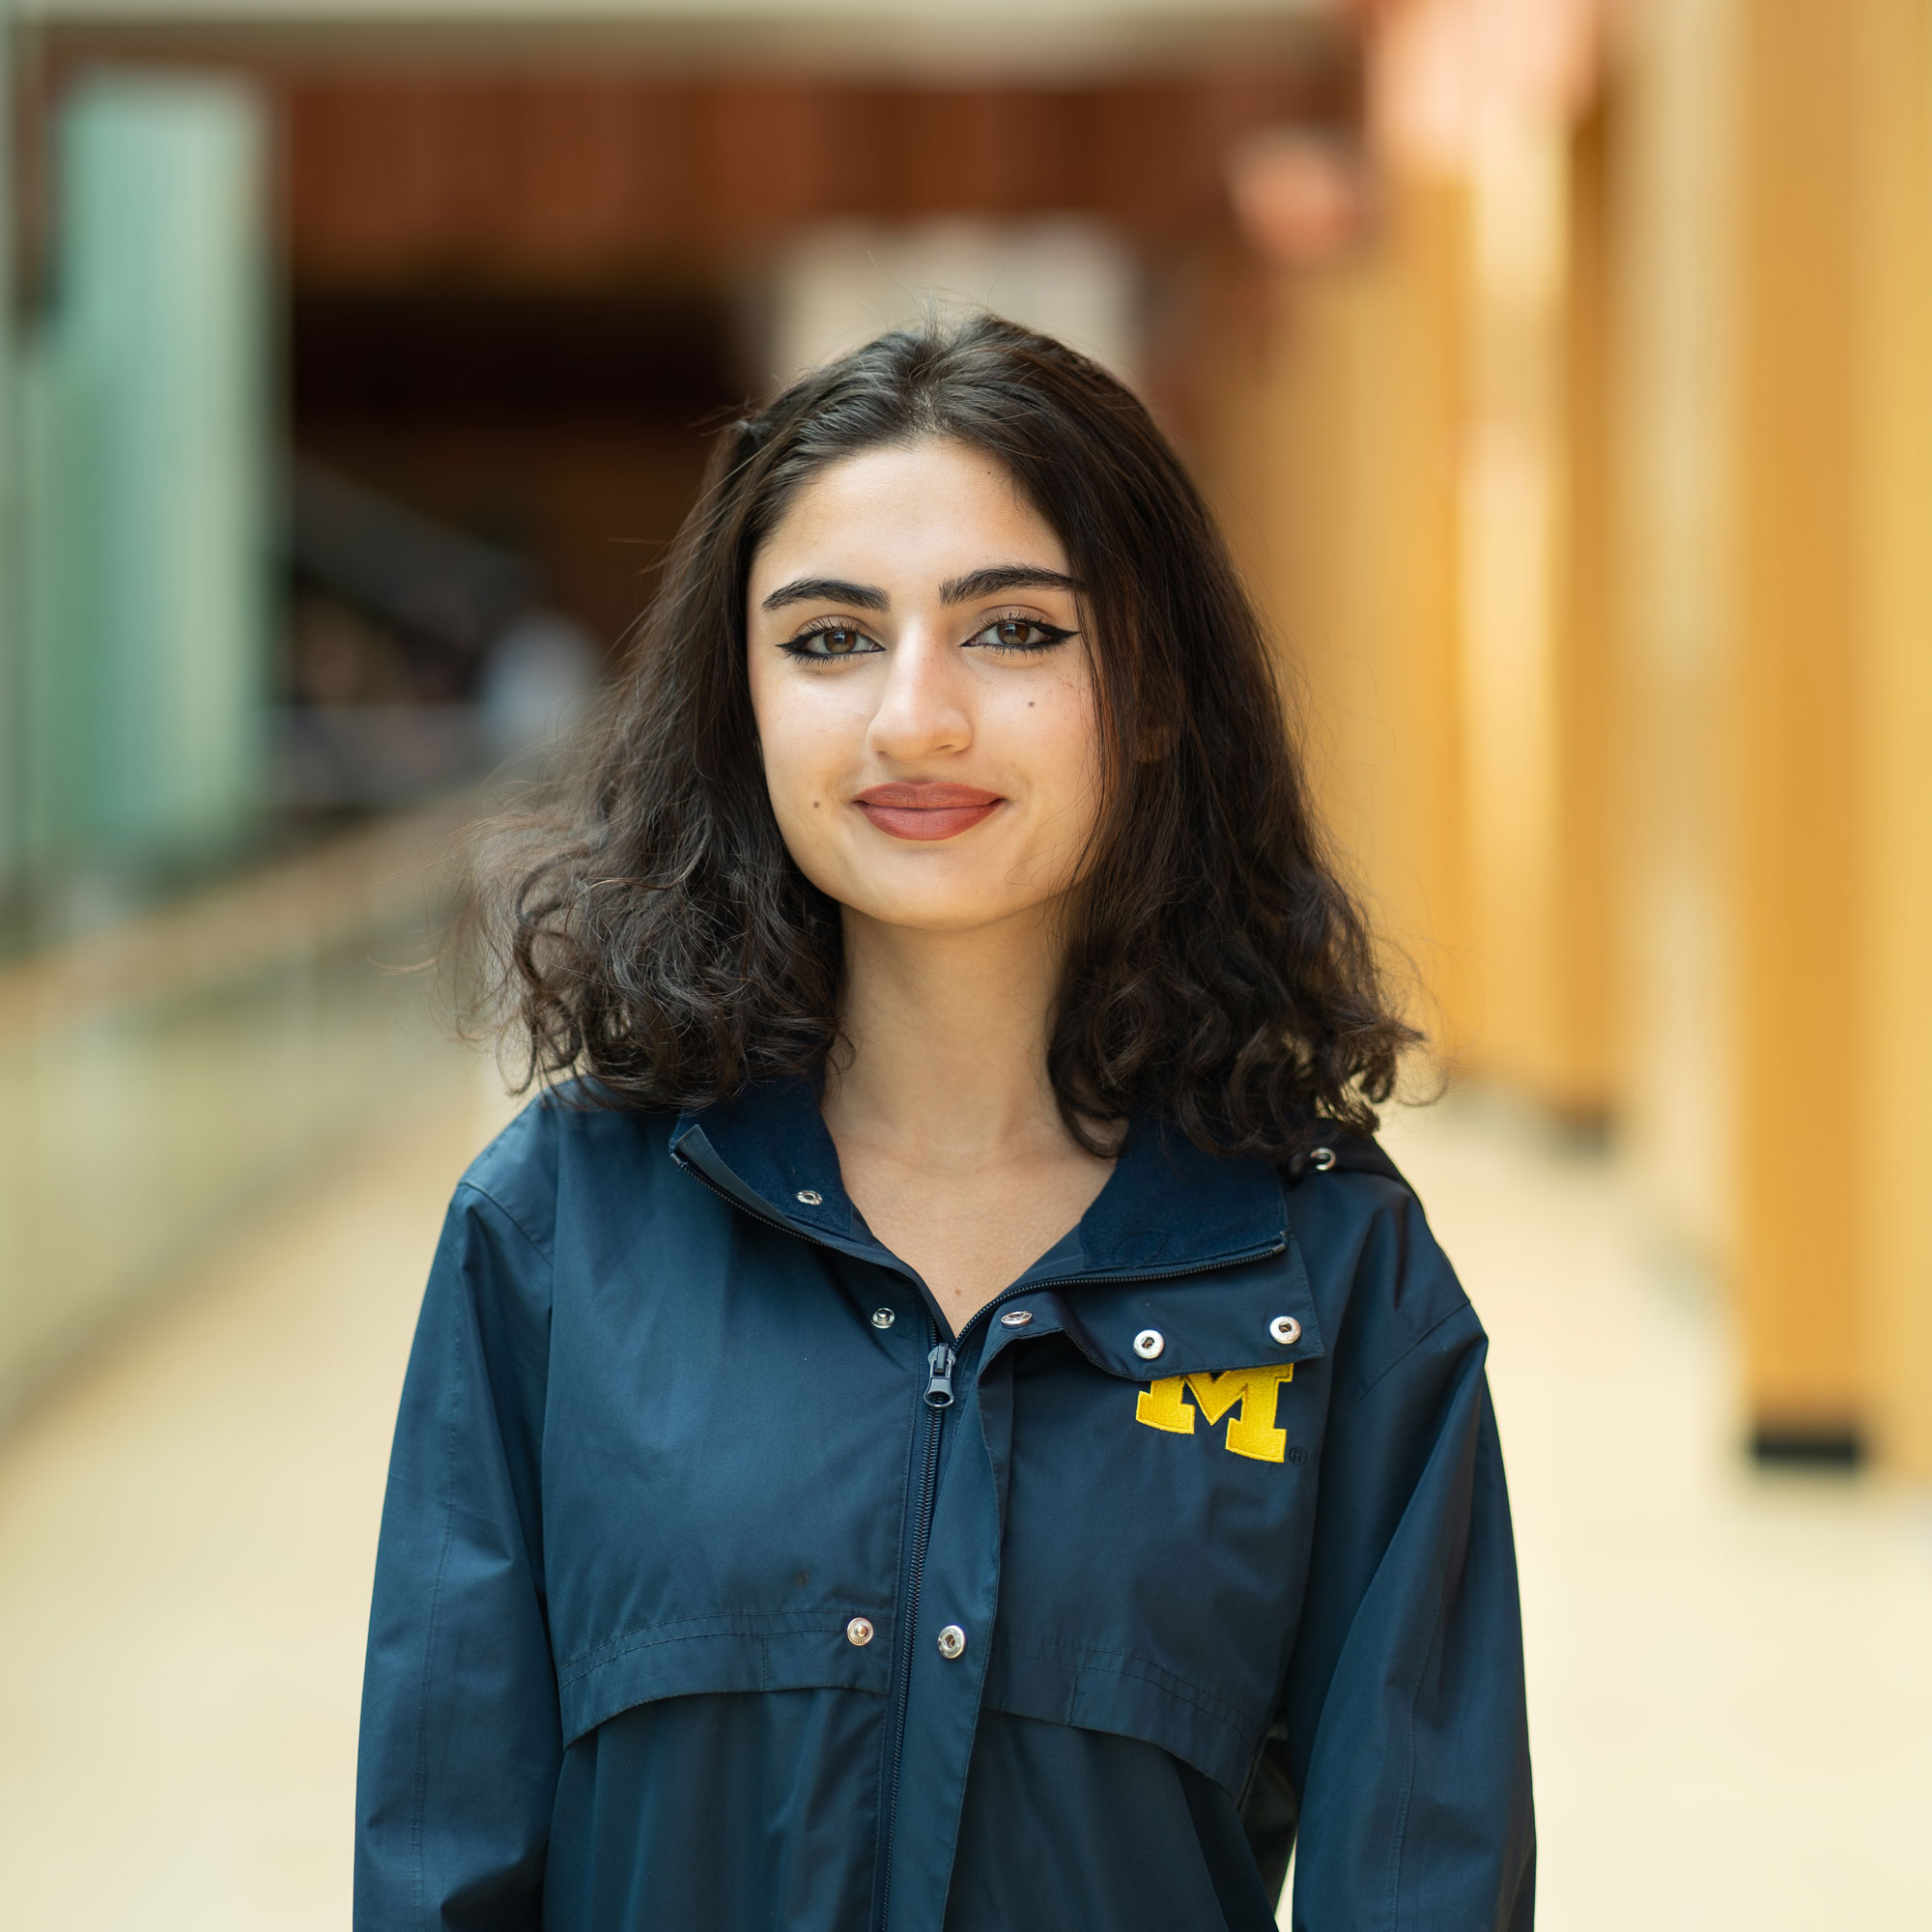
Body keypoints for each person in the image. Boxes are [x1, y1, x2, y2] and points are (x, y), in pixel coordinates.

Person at [354, 314, 1534, 1931]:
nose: (915, 718)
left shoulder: (1333, 1275)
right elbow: (443, 1863)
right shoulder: (556, 1232)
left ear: (1158, 694)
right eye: (830, 640)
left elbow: (1423, 1880)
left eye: (1017, 633)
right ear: (741, 706)